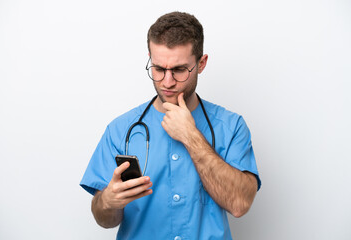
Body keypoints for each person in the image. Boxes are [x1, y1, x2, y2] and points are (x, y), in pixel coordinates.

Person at [80, 11, 261, 240]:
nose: (167, 82)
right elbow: (103, 218)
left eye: (178, 70)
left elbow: (240, 204)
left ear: (201, 63)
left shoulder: (231, 126)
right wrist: (108, 201)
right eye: (158, 69)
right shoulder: (120, 130)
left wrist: (191, 136)